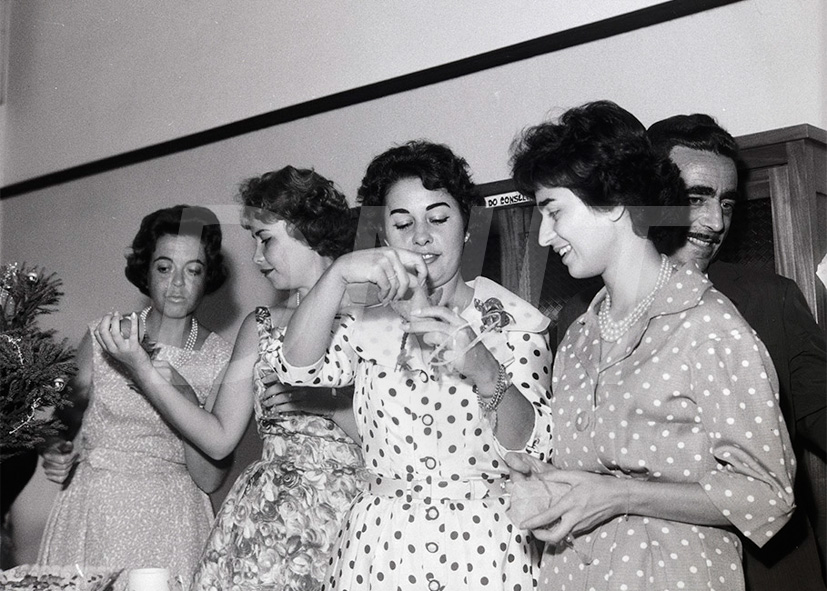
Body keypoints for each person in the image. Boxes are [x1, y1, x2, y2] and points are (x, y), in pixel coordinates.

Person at [506, 101, 796, 591]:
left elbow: (769, 494)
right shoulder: (579, 335)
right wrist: (552, 484)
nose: (543, 236)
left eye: (553, 211)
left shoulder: (709, 325)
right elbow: (594, 478)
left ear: (616, 202)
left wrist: (619, 496)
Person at [274, 140, 553, 590]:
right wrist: (339, 272)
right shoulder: (364, 318)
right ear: (384, 237)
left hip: (485, 548)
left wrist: (484, 369)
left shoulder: (513, 319)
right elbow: (296, 369)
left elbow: (536, 447)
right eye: (403, 223)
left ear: (467, 228)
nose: (421, 236)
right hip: (383, 548)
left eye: (438, 219)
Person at [126, 167, 365, 590]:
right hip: (265, 529)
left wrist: (324, 403)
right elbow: (219, 438)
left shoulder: (371, 320)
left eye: (265, 239)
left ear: (307, 229)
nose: (256, 258)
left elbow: (397, 444)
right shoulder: (260, 325)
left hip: (349, 518)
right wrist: (145, 371)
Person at [37, 205, 233, 587]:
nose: (177, 283)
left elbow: (210, 479)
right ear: (146, 270)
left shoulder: (221, 358)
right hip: (93, 512)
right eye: (165, 267)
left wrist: (182, 392)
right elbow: (61, 425)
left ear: (208, 275)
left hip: (171, 523)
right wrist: (55, 451)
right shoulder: (105, 336)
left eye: (193, 270)